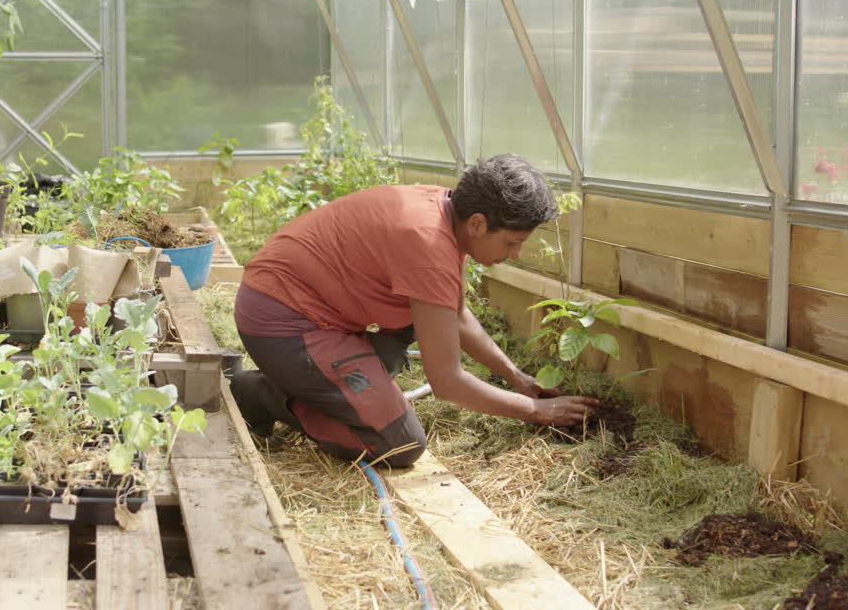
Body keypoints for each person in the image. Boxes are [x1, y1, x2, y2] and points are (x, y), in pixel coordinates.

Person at [229, 154, 600, 468]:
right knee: (401, 443)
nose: (515, 254)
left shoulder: (446, 211)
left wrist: (518, 378)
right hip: (284, 322)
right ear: (478, 223)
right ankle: (264, 395)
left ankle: (319, 387)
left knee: (412, 330)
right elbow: (447, 383)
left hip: (312, 310)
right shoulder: (427, 245)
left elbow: (454, 315)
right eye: (512, 242)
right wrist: (536, 410)